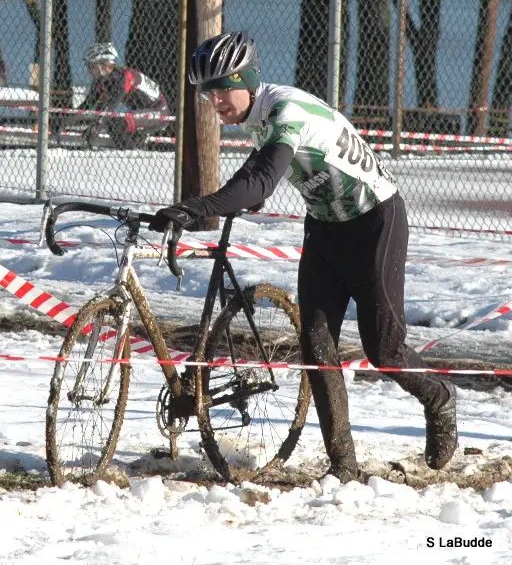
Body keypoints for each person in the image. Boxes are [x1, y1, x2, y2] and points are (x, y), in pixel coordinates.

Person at [149, 30, 458, 481]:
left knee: (383, 348)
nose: (213, 102)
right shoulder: (257, 112)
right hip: (326, 229)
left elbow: (260, 181)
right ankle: (344, 468)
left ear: (246, 79)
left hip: (375, 222)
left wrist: (199, 207)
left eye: (219, 90)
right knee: (317, 348)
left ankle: (439, 398)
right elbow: (258, 172)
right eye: (204, 94)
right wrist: (217, 201)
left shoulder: (286, 110)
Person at [65, 43, 169, 149]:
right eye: (87, 65)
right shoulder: (101, 81)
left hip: (159, 112)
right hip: (141, 111)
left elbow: (111, 104)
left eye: (91, 66)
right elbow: (87, 105)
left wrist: (96, 126)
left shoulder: (124, 77)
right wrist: (63, 122)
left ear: (103, 65)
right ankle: (132, 150)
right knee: (111, 123)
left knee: (119, 124)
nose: (88, 70)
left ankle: (132, 154)